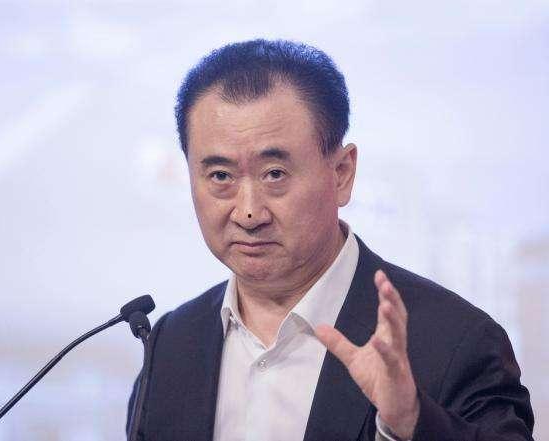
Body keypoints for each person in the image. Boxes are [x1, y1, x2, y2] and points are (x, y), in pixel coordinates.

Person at [127, 39, 534, 440]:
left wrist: (411, 423)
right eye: (220, 176)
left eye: (274, 174)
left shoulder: (456, 341)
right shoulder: (171, 343)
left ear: (341, 173)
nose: (249, 212)